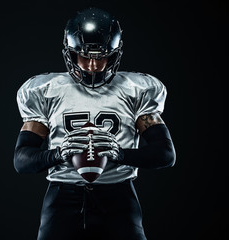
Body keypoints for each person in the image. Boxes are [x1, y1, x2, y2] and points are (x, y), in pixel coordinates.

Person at [13, 7, 176, 240]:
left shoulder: (136, 90)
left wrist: (121, 155)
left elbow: (165, 155)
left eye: (101, 57)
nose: (92, 66)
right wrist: (57, 155)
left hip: (119, 198)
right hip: (62, 198)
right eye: (85, 56)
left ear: (115, 53)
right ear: (70, 53)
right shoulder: (45, 91)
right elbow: (21, 160)